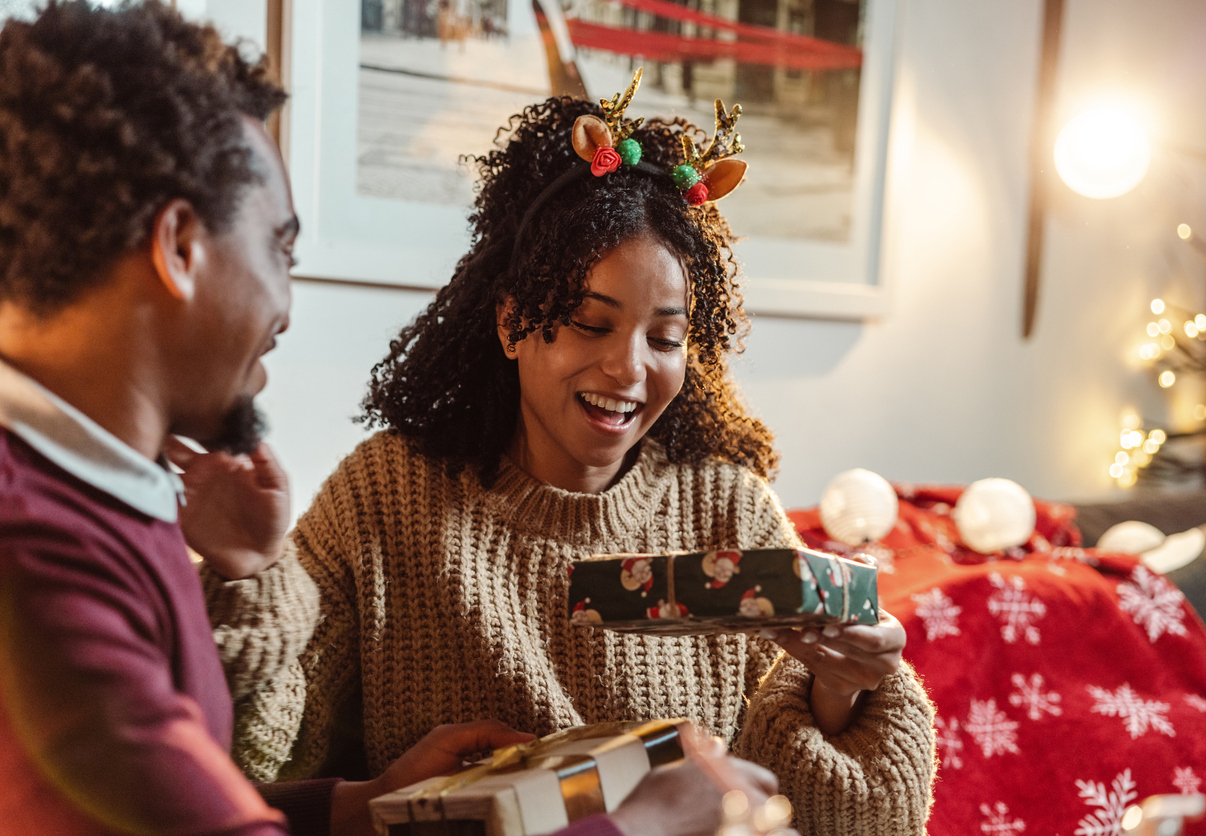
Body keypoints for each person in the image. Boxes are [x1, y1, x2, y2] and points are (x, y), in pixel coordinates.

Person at [0, 3, 779, 835]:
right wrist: (645, 824)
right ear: (181, 247)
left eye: (665, 336)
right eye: (280, 250)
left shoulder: (112, 496)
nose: (286, 307)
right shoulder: (41, 548)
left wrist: (355, 808)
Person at [193, 81, 937, 835]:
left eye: (665, 339)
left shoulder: (727, 508)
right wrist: (243, 575)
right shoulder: (388, 496)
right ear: (515, 322)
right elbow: (256, 757)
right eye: (589, 323)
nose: (628, 370)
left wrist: (840, 689)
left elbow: (820, 817)